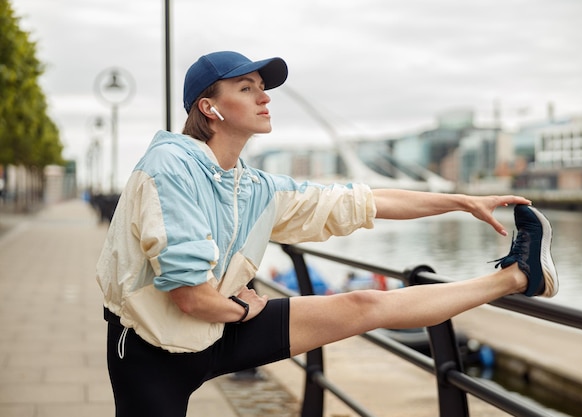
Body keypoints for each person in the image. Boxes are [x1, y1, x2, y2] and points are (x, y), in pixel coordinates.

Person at [96, 51, 558, 417]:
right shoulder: (170, 167)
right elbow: (191, 298)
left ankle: (520, 277)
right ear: (209, 107)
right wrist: (242, 308)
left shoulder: (252, 186)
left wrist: (460, 202)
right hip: (151, 347)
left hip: (219, 327)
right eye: (246, 87)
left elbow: (362, 201)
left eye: (263, 88)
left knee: (364, 304)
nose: (264, 97)